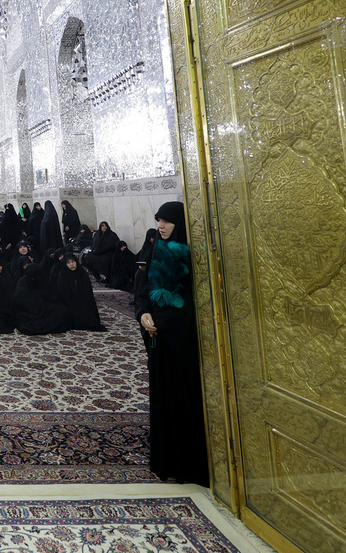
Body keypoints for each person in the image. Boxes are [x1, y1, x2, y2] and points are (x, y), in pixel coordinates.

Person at [135, 201, 209, 486]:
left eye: (166, 221)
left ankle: (187, 462)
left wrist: (163, 323)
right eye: (158, 221)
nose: (161, 226)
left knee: (183, 397)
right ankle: (166, 458)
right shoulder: (158, 249)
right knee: (163, 395)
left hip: (181, 341)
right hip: (159, 339)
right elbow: (145, 289)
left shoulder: (191, 255)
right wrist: (144, 314)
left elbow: (193, 301)